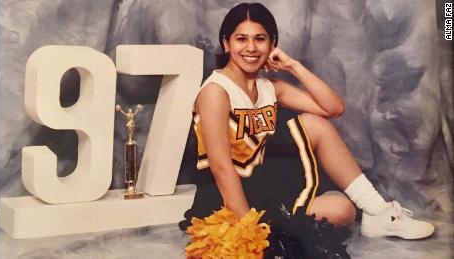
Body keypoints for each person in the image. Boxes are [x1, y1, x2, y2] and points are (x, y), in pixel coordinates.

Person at [180, 2, 434, 252]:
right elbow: (222, 167)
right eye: (241, 39)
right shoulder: (216, 91)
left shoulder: (271, 87)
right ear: (226, 43)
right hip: (226, 195)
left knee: (343, 209)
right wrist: (247, 229)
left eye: (260, 39)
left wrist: (293, 66)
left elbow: (333, 108)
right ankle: (278, 230)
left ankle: (377, 214)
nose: (251, 47)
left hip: (264, 185)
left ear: (272, 45)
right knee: (310, 125)